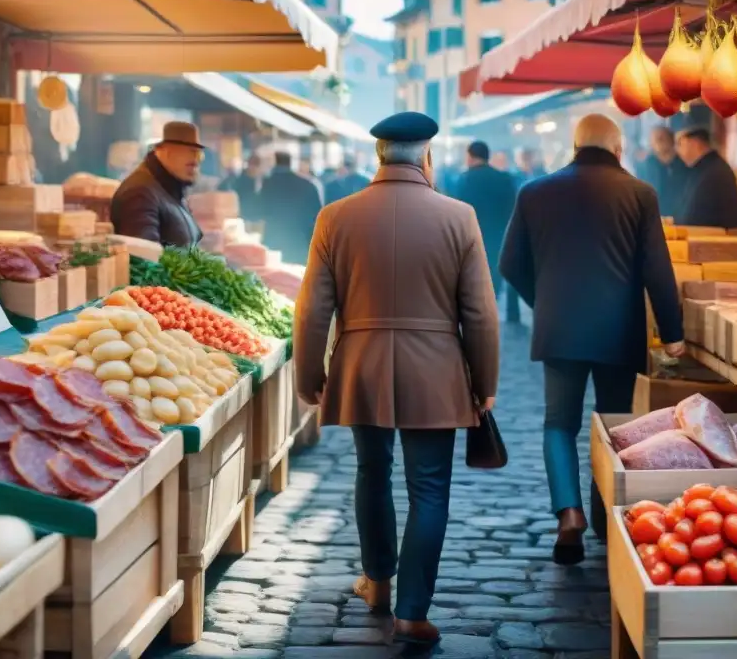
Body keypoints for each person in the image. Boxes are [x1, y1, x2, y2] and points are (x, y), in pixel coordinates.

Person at [293, 111, 499, 646]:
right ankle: (411, 613)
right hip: (436, 370)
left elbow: (313, 309)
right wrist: (486, 380)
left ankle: (378, 582)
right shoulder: (459, 216)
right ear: (427, 157)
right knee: (429, 489)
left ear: (378, 156)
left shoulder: (335, 217)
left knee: (371, 471)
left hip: (361, 364)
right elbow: (479, 312)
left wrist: (309, 373)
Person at [499, 113, 684, 564]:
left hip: (559, 326)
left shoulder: (534, 192)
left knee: (558, 424)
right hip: (618, 329)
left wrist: (542, 300)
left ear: (574, 146)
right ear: (618, 150)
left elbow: (509, 264)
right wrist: (673, 333)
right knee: (613, 425)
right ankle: (606, 518)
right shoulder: (640, 193)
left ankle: (569, 515)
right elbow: (656, 270)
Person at [110, 121, 204, 246]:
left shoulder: (170, 189)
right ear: (166, 152)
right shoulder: (140, 193)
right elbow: (143, 259)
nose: (197, 161)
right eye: (192, 153)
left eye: (199, 154)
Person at [455, 141, 518, 297]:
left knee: (473, 282)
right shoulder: (504, 179)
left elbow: (457, 210)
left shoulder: (464, 179)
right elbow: (512, 208)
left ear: (470, 157)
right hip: (498, 237)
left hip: (472, 237)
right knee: (493, 282)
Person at [258, 152, 323, 265]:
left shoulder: (266, 184)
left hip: (273, 240)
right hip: (299, 242)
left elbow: (258, 210)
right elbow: (318, 217)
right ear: (291, 163)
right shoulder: (308, 184)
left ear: (275, 162)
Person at [675, 127, 737, 228]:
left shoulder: (715, 171)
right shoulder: (703, 167)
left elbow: (699, 217)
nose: (678, 151)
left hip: (712, 239)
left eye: (681, 144)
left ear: (695, 143)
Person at [637, 126, 688, 220]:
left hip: (681, 216)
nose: (658, 141)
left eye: (662, 138)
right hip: (654, 216)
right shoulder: (646, 165)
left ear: (671, 140)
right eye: (655, 139)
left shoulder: (684, 163)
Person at [219, 152, 264, 221]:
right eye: (252, 165)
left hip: (256, 216)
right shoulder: (238, 180)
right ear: (248, 165)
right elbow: (224, 189)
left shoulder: (261, 180)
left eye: (256, 166)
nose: (254, 169)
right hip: (242, 215)